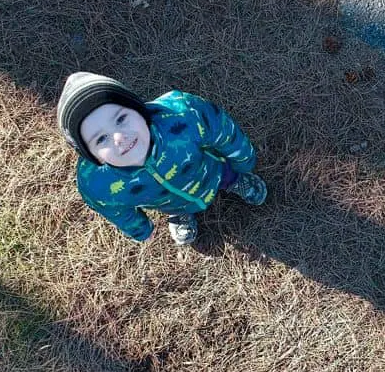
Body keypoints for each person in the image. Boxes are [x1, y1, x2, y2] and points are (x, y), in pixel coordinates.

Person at [57, 72, 266, 245]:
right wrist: (140, 230)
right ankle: (181, 213)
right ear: (92, 156)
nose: (119, 138)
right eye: (101, 138)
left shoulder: (183, 115)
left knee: (224, 175)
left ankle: (236, 181)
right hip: (165, 201)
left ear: (139, 111)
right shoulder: (96, 183)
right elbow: (114, 210)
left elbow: (222, 129)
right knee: (175, 205)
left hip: (209, 171)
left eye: (121, 118)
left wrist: (244, 160)